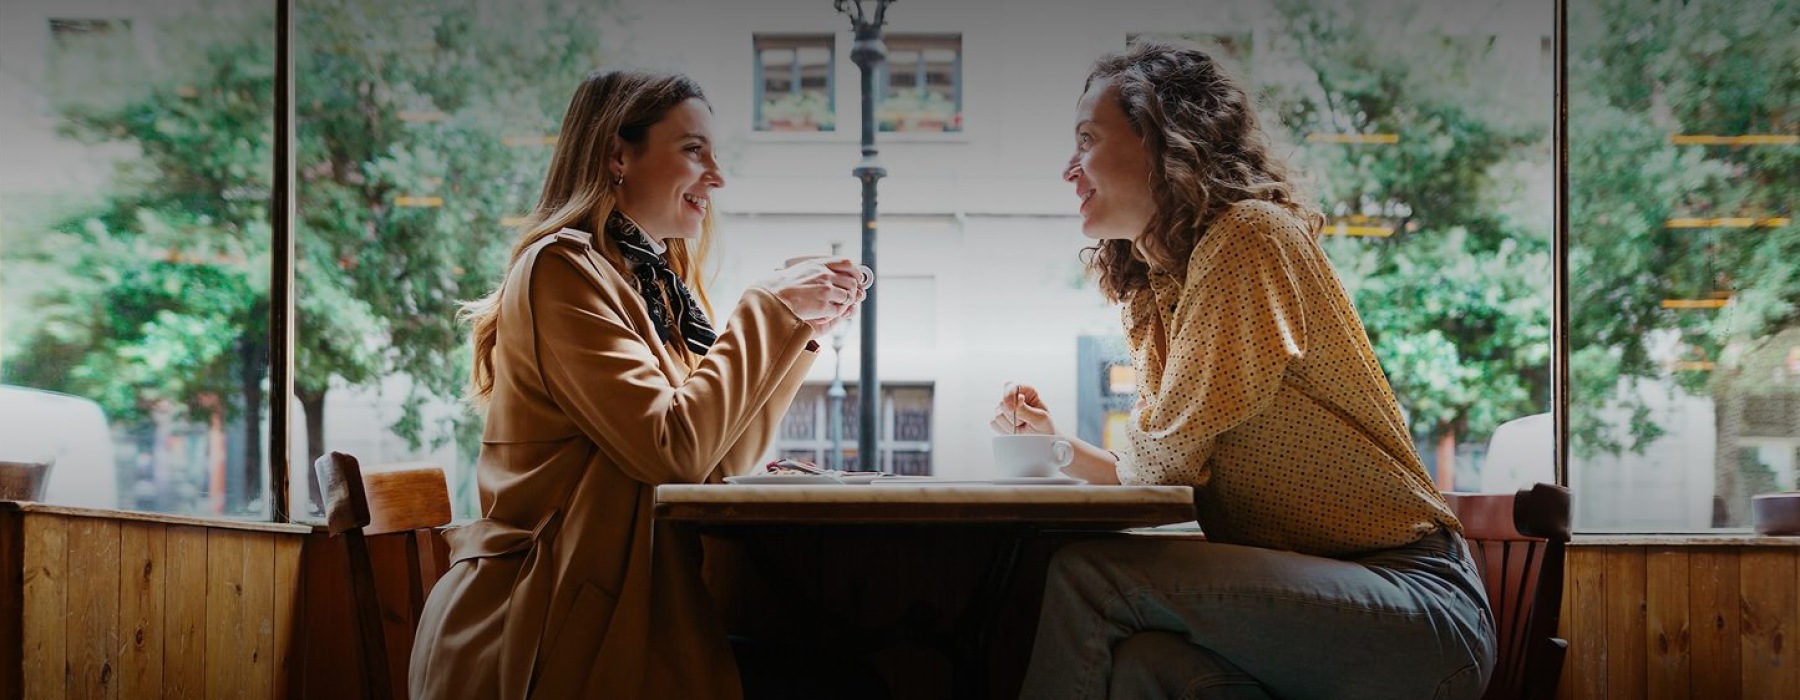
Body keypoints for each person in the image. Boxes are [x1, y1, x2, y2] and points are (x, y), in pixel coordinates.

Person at [994, 41, 1496, 699]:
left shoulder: (1248, 239)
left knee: (1089, 577)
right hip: (1337, 600)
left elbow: (1167, 455)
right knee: (1144, 663)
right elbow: (1165, 458)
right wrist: (1053, 445)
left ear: (1161, 140)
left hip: (1416, 612)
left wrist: (1107, 448)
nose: (1070, 169)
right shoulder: (1161, 284)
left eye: (1087, 139)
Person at [409, 69, 865, 699]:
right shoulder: (562, 270)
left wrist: (797, 333)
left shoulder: (653, 287)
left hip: (621, 610)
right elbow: (670, 450)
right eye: (693, 150)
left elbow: (716, 461)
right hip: (546, 626)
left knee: (848, 675)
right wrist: (766, 308)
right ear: (618, 154)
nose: (717, 176)